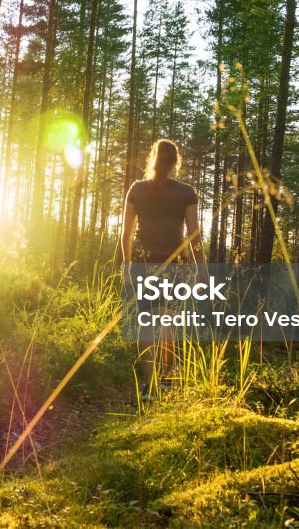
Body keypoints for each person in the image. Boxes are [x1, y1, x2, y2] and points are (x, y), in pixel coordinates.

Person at [120, 139, 206, 401]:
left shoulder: (136, 189)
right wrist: (201, 268)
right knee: (168, 321)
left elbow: (126, 232)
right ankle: (165, 383)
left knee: (146, 321)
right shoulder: (186, 192)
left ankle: (149, 386)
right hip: (174, 266)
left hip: (142, 264)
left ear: (153, 159)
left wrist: (126, 263)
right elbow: (194, 234)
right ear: (174, 163)